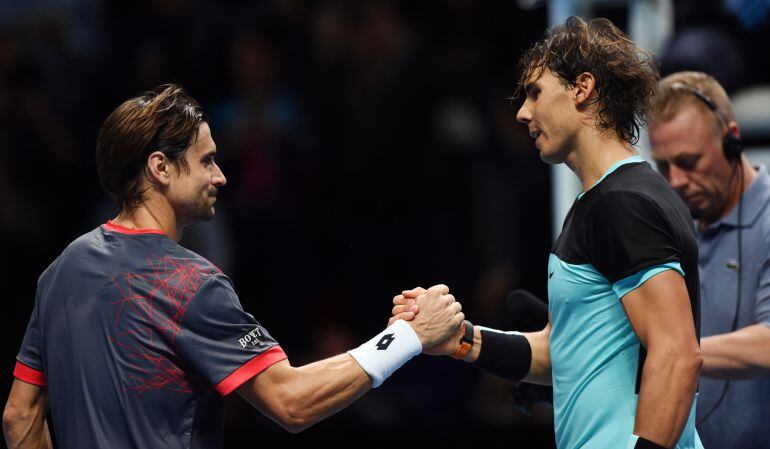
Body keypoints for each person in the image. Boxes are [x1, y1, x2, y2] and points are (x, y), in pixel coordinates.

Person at [1, 84, 465, 449]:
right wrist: (408, 337)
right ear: (161, 168)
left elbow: (19, 417)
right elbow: (291, 401)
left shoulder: (59, 271)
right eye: (206, 161)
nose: (220, 176)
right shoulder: (189, 282)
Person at [393, 17, 703, 449]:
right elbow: (563, 353)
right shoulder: (602, 202)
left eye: (535, 93)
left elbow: (677, 354)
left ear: (583, 87)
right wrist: (460, 340)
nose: (522, 112)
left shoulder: (623, 204)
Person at [648, 71, 770, 449]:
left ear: (732, 139)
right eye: (663, 167)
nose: (676, 181)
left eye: (689, 161)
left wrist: (670, 353)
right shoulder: (671, 230)